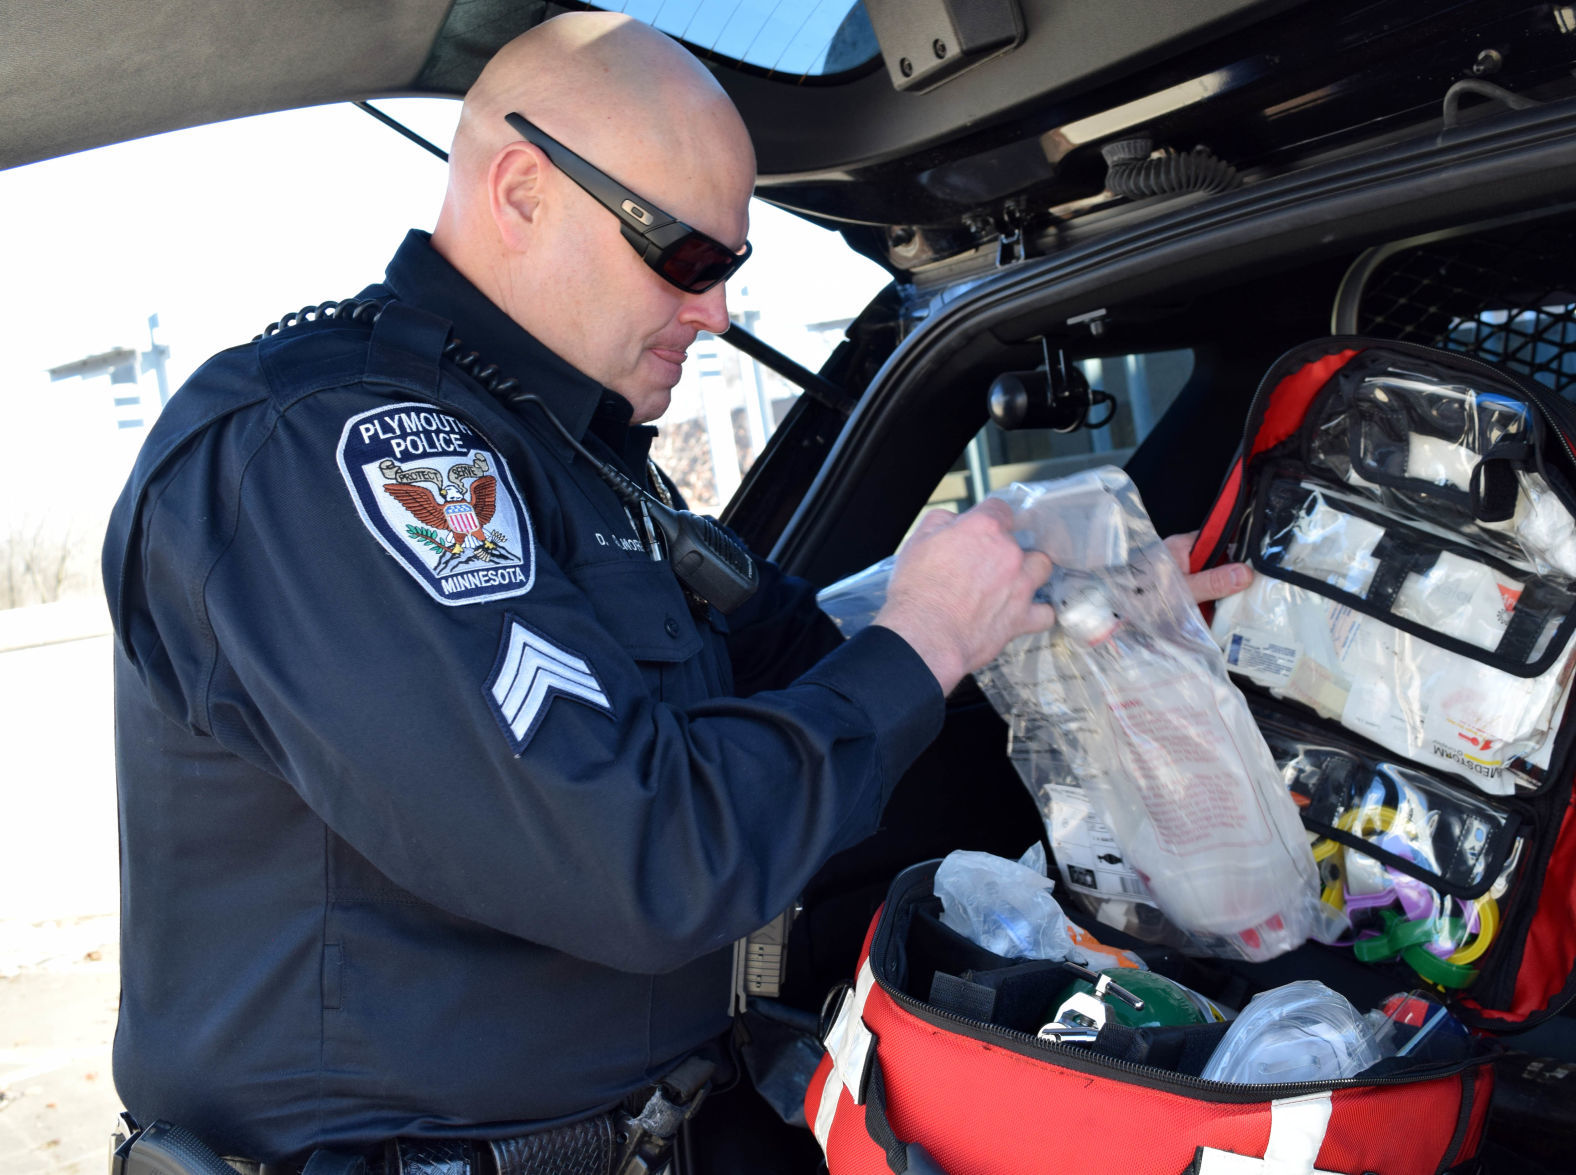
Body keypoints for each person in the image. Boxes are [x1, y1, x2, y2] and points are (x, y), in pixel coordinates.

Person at [102, 11, 1253, 1172]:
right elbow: (642, 854)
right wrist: (929, 627)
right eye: (687, 258)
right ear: (521, 191)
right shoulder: (338, 454)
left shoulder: (571, 451)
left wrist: (1090, 621)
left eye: (730, 267)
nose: (714, 311)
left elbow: (808, 667)